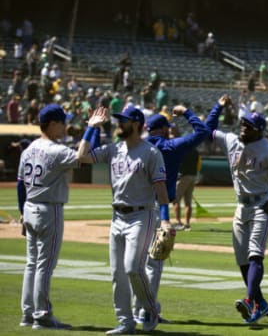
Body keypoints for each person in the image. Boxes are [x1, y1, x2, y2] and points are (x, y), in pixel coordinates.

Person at [205, 95, 268, 324]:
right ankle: (260, 303)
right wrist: (218, 106)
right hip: (241, 206)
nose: (243, 127)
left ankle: (249, 301)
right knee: (243, 261)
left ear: (259, 130)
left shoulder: (267, 149)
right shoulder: (231, 140)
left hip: (262, 206)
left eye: (248, 125)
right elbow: (207, 130)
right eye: (243, 123)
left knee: (255, 255)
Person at [84, 106, 170, 335]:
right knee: (117, 274)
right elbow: (82, 156)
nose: (119, 124)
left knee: (133, 268)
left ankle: (150, 308)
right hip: (117, 216)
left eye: (124, 121)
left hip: (142, 215)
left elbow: (161, 188)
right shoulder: (113, 149)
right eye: (119, 120)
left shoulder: (151, 152)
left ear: (137, 124)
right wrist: (91, 128)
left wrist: (166, 220)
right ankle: (125, 321)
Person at [17, 105, 104, 329]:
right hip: (49, 210)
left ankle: (27, 314)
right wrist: (91, 128)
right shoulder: (56, 151)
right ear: (53, 123)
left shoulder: (28, 149)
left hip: (29, 207)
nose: (65, 126)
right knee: (45, 265)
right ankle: (42, 315)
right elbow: (83, 156)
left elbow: (20, 184)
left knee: (31, 264)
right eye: (62, 122)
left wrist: (21, 212)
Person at [136, 105, 209, 323]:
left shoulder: (136, 147)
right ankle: (147, 311)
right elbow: (203, 132)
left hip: (136, 208)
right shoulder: (170, 146)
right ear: (164, 129)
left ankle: (136, 309)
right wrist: (187, 113)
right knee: (155, 263)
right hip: (158, 208)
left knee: (135, 265)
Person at [174, 146, 200, 230]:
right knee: (188, 203)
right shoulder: (196, 151)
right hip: (193, 176)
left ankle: (178, 222)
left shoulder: (181, 150)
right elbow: (199, 165)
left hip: (183, 177)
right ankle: (187, 224)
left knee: (176, 200)